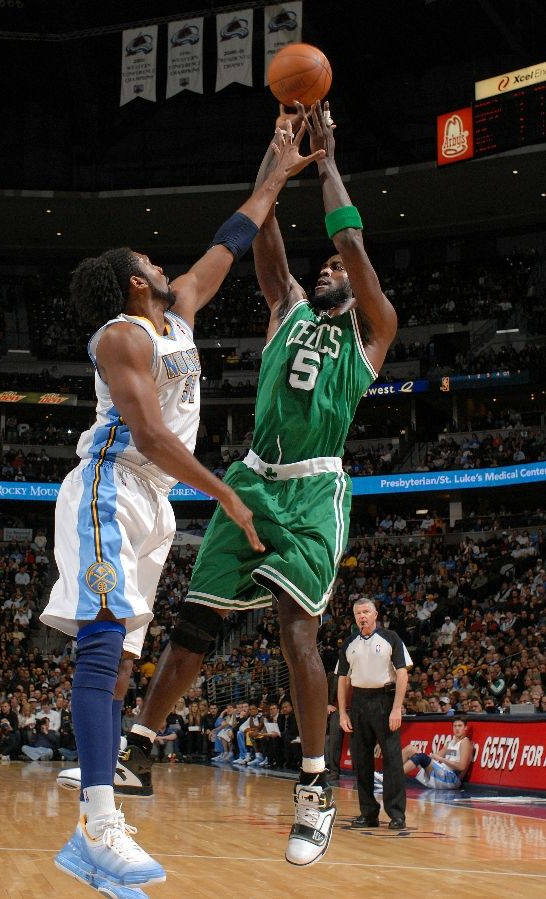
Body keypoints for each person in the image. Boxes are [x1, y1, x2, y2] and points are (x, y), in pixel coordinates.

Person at [112, 99, 398, 868]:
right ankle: (137, 747)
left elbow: (350, 238)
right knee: (193, 629)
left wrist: (329, 157)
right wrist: (276, 154)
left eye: (339, 268)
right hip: (252, 478)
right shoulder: (287, 307)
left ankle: (313, 789)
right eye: (326, 268)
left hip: (312, 493)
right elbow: (264, 227)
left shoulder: (372, 334)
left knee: (296, 630)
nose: (330, 268)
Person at [44, 120, 323, 897]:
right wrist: (225, 490)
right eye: (150, 262)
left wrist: (280, 158)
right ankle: (98, 824)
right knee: (102, 647)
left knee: (124, 659)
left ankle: (99, 816)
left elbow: (235, 234)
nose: (165, 265)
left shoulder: (182, 310)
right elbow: (150, 433)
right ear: (135, 281)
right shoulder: (121, 336)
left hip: (156, 503)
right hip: (110, 486)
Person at [337, 598, 412, 830]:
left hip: (384, 700)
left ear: (375, 614)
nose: (363, 616)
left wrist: (396, 708)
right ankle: (368, 813)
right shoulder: (349, 643)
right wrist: (342, 713)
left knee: (392, 760)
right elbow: (342, 681)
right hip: (359, 702)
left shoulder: (391, 638)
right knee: (361, 761)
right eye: (358, 613)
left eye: (366, 611)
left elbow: (402, 675)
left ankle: (397, 814)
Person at [376, 715, 473, 791]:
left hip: (452, 779)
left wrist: (442, 759)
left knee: (421, 757)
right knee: (411, 749)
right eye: (455, 726)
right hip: (442, 773)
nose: (457, 729)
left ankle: (390, 780)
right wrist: (428, 756)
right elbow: (436, 756)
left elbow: (462, 767)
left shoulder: (465, 742)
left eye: (460, 726)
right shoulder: (451, 742)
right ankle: (386, 774)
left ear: (465, 728)